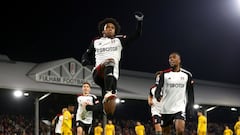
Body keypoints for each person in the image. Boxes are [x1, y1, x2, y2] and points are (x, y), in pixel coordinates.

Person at [81, 12, 144, 113]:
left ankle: (89, 107)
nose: (110, 28)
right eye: (108, 27)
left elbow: (136, 35)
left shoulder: (119, 41)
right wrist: (84, 60)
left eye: (112, 27)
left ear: (115, 31)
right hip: (98, 72)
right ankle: (108, 92)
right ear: (103, 31)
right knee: (110, 61)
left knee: (108, 109)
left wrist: (139, 21)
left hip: (112, 76)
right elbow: (86, 53)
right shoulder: (96, 41)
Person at [154, 52, 195, 135]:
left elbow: (190, 92)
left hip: (179, 108)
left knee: (180, 130)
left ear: (179, 60)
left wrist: (191, 106)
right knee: (166, 132)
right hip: (166, 108)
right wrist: (158, 95)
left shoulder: (187, 75)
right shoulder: (164, 74)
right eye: (169, 58)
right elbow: (158, 88)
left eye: (173, 57)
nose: (171, 59)